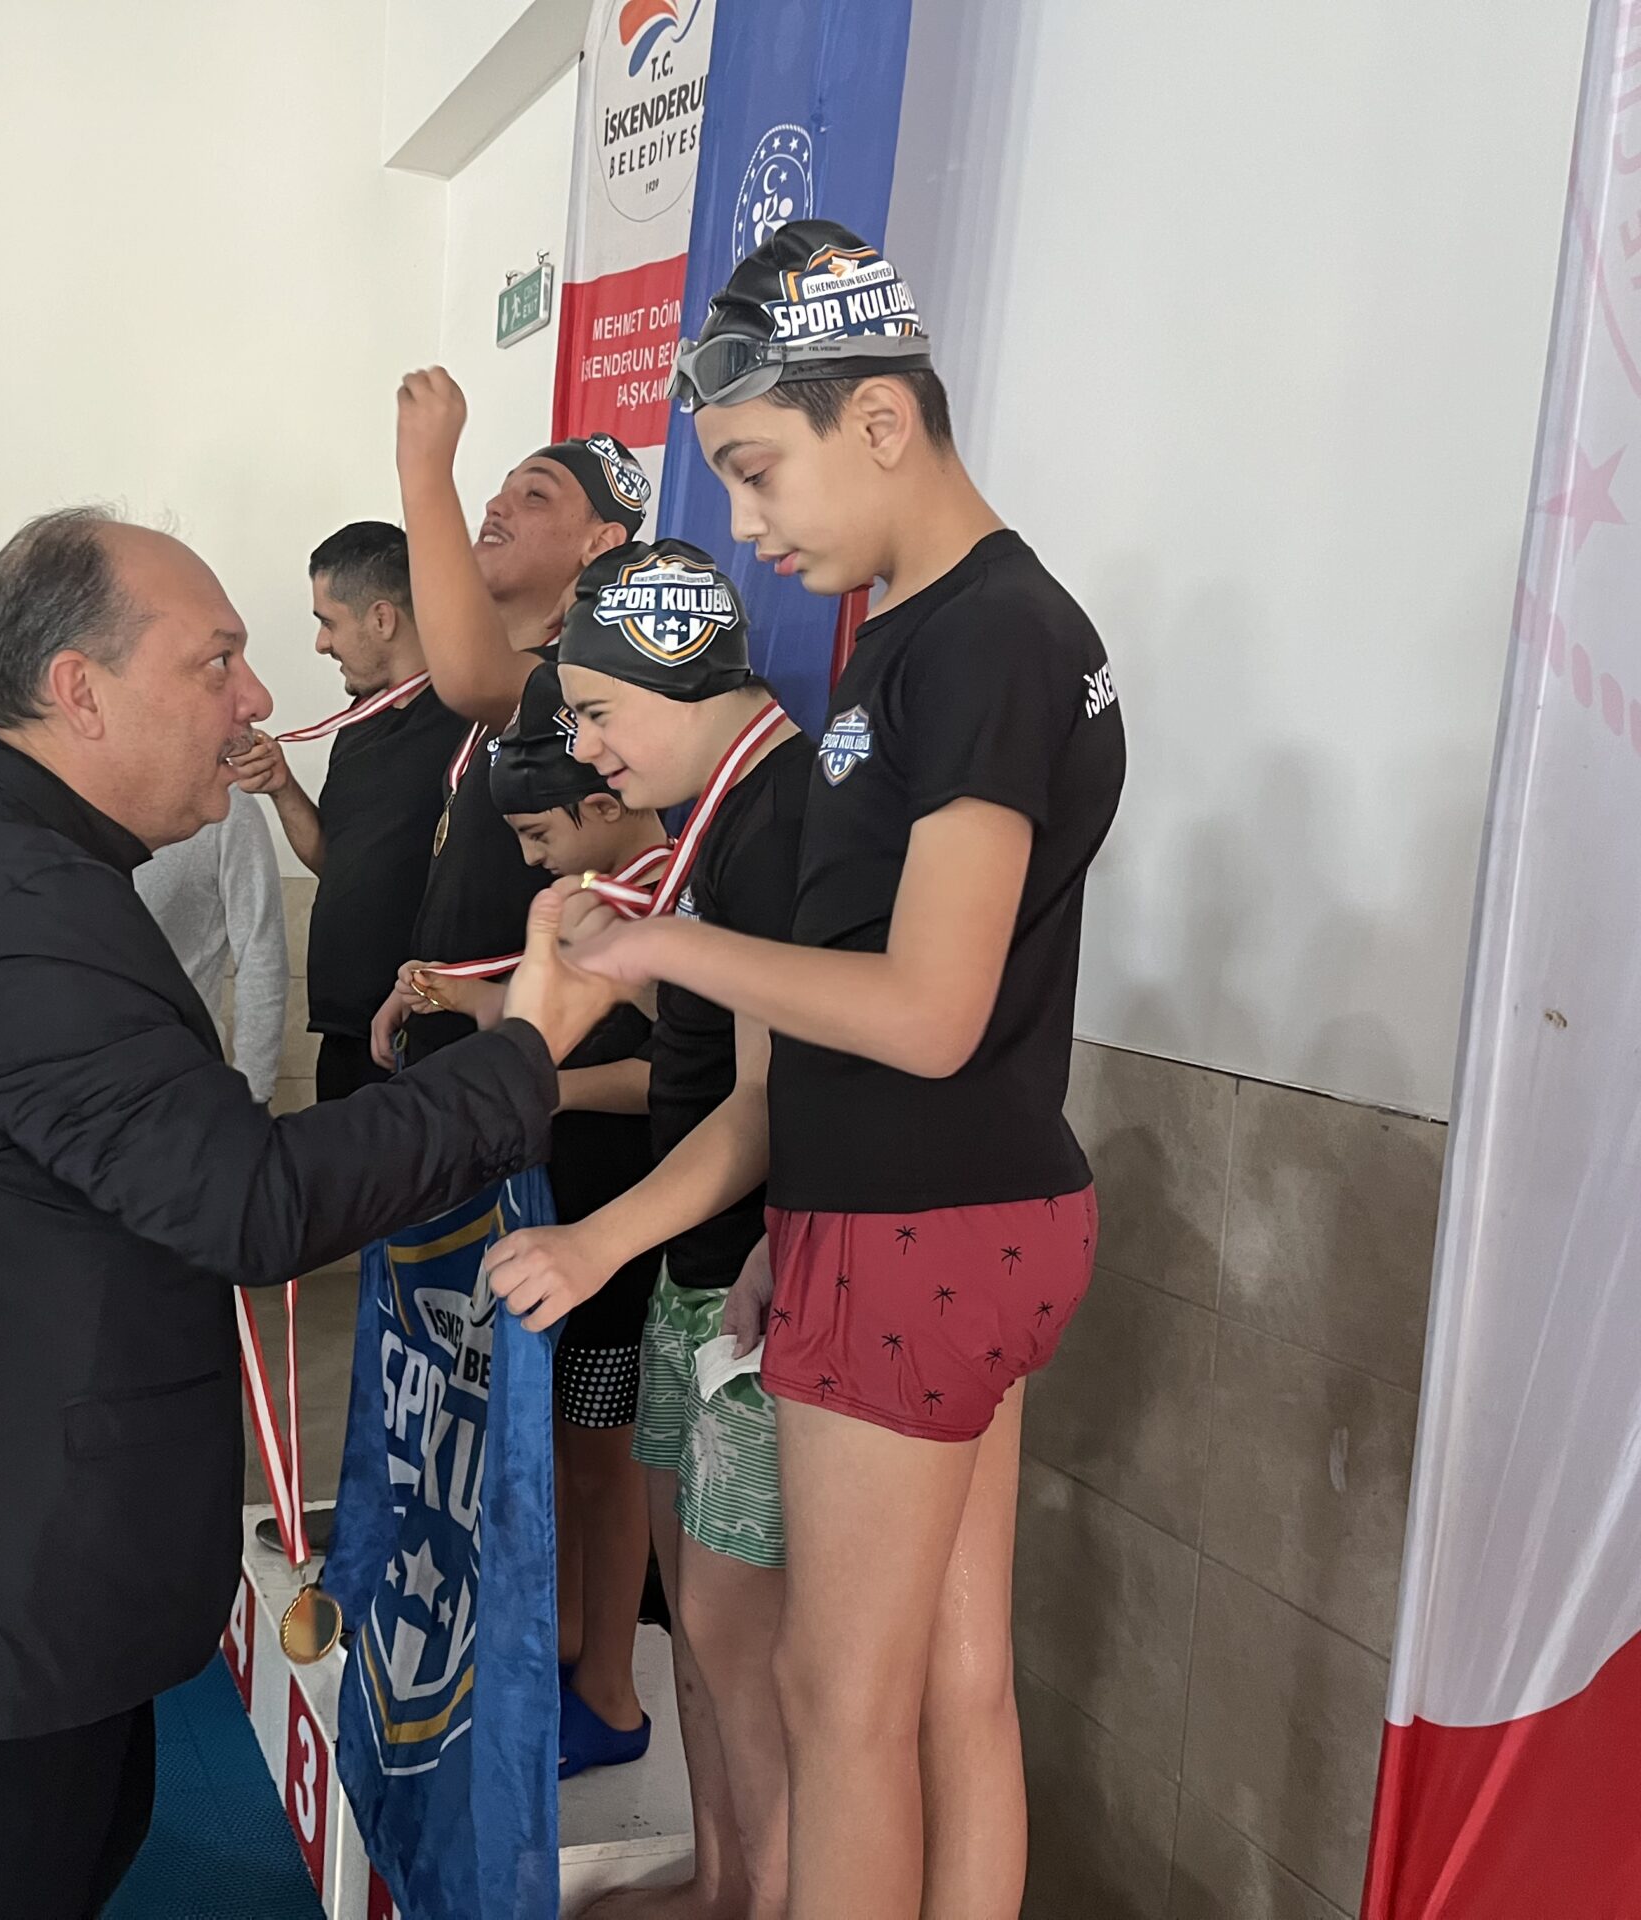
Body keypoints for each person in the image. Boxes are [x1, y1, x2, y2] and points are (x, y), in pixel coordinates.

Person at [0, 508, 620, 1920]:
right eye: (216, 661)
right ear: (80, 691)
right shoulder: (10, 905)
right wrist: (528, 1053)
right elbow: (248, 1200)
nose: (257, 696)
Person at [557, 222, 1127, 1920]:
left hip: (923, 1219)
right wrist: (791, 1228)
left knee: (840, 1697)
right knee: (948, 1678)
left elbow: (929, 1011)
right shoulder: (926, 633)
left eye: (756, 470)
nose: (746, 525)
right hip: (928, 1209)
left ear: (880, 419)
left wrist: (663, 948)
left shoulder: (987, 638)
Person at [486, 540, 813, 1918]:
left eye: (597, 714)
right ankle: (720, 1877)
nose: (588, 754)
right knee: (693, 1634)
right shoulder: (719, 817)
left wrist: (598, 1242)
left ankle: (763, 1894)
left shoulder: (783, 813)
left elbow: (764, 1106)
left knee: (743, 1653)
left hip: (752, 1284)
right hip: (697, 1272)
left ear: (676, 679)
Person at [446, 659, 666, 1780]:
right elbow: (544, 1019)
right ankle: (575, 1643)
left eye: (538, 834)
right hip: (569, 1215)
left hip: (622, 1232)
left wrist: (547, 1088)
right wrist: (453, 995)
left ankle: (613, 1693)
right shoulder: (597, 900)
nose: (532, 859)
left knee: (604, 1464)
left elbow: (678, 1078)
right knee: (567, 1458)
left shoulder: (672, 900)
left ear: (601, 803)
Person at [372, 374, 646, 1067]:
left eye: (535, 496)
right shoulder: (510, 689)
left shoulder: (579, 687)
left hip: (531, 1074)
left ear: (600, 543)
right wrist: (428, 979)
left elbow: (470, 674)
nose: (496, 506)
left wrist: (425, 467)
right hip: (452, 1043)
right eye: (502, 489)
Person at [226, 521, 469, 1101]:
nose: (321, 643)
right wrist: (283, 786)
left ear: (382, 619)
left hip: (423, 1028)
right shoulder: (360, 722)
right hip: (346, 1027)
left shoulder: (468, 718)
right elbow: (336, 864)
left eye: (328, 622)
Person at [131, 786, 287, 1102]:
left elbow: (261, 954)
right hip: (59, 1084)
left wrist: (253, 1093)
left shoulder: (226, 806)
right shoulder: (64, 793)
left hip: (176, 1082)